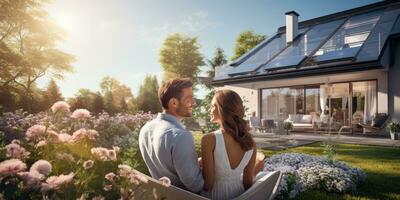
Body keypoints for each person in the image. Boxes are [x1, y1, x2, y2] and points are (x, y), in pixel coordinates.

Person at [138, 78, 204, 193]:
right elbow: (196, 185)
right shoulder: (181, 136)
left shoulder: (145, 129)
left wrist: (196, 162)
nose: (194, 103)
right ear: (174, 103)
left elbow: (168, 167)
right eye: (189, 99)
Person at [200, 89, 264, 200]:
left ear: (223, 109)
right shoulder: (250, 142)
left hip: (214, 195)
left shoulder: (209, 139)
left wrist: (198, 166)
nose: (209, 109)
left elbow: (208, 185)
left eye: (212, 106)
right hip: (239, 195)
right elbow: (247, 183)